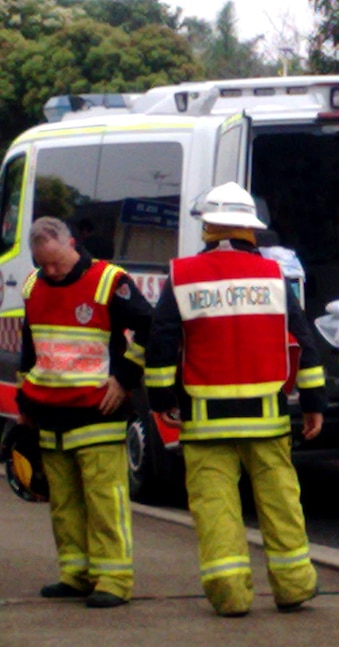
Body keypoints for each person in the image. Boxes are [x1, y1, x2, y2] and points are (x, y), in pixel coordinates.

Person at [144, 182, 327, 618]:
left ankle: (229, 595)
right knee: (280, 503)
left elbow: (161, 344)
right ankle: (294, 586)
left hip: (205, 422)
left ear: (207, 227)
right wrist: (315, 402)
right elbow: (303, 341)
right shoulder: (274, 277)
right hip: (267, 419)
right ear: (251, 230)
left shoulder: (183, 276)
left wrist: (160, 399)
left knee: (215, 509)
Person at [16, 216, 153, 607]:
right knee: (63, 503)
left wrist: (124, 378)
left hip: (97, 415)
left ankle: (113, 580)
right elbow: (31, 347)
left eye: (57, 262)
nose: (52, 271)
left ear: (72, 243)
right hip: (49, 415)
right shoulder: (32, 284)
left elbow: (148, 326)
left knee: (104, 502)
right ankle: (74, 574)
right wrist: (25, 401)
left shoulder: (110, 281)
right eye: (44, 264)